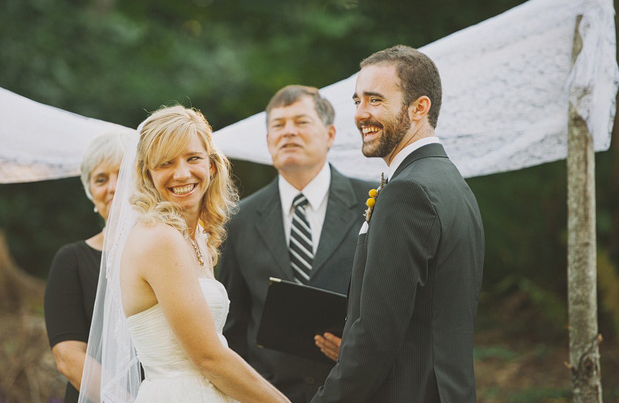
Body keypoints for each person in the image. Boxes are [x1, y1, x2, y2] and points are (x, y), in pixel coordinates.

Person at [79, 105, 289, 402]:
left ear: (212, 165)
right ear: (146, 174)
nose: (182, 173)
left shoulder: (198, 237)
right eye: (165, 163)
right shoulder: (159, 239)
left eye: (193, 158)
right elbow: (209, 358)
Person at [311, 45, 485, 402]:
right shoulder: (451, 182)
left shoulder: (408, 191)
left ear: (419, 108)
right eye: (357, 101)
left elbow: (376, 336)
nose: (361, 115)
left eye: (375, 100)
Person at [218, 85, 376, 402]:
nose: (288, 132)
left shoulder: (375, 202)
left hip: (358, 390)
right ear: (267, 140)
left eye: (301, 122)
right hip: (269, 393)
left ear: (330, 134)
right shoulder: (238, 219)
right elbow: (233, 323)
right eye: (278, 125)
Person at [44, 129, 135, 403]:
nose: (112, 187)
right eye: (100, 179)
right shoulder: (70, 260)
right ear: (90, 192)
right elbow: (68, 357)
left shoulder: (170, 249)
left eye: (122, 174)